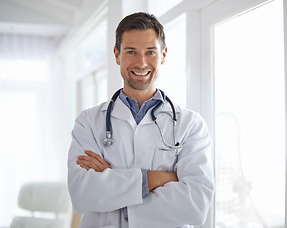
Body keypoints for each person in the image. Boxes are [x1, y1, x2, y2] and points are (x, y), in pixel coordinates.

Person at [67, 12, 214, 228]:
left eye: (150, 52)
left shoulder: (190, 125)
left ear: (163, 55)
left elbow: (196, 205)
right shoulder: (88, 122)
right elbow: (81, 194)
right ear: (117, 55)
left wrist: (110, 183)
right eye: (131, 51)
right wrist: (157, 179)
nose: (141, 62)